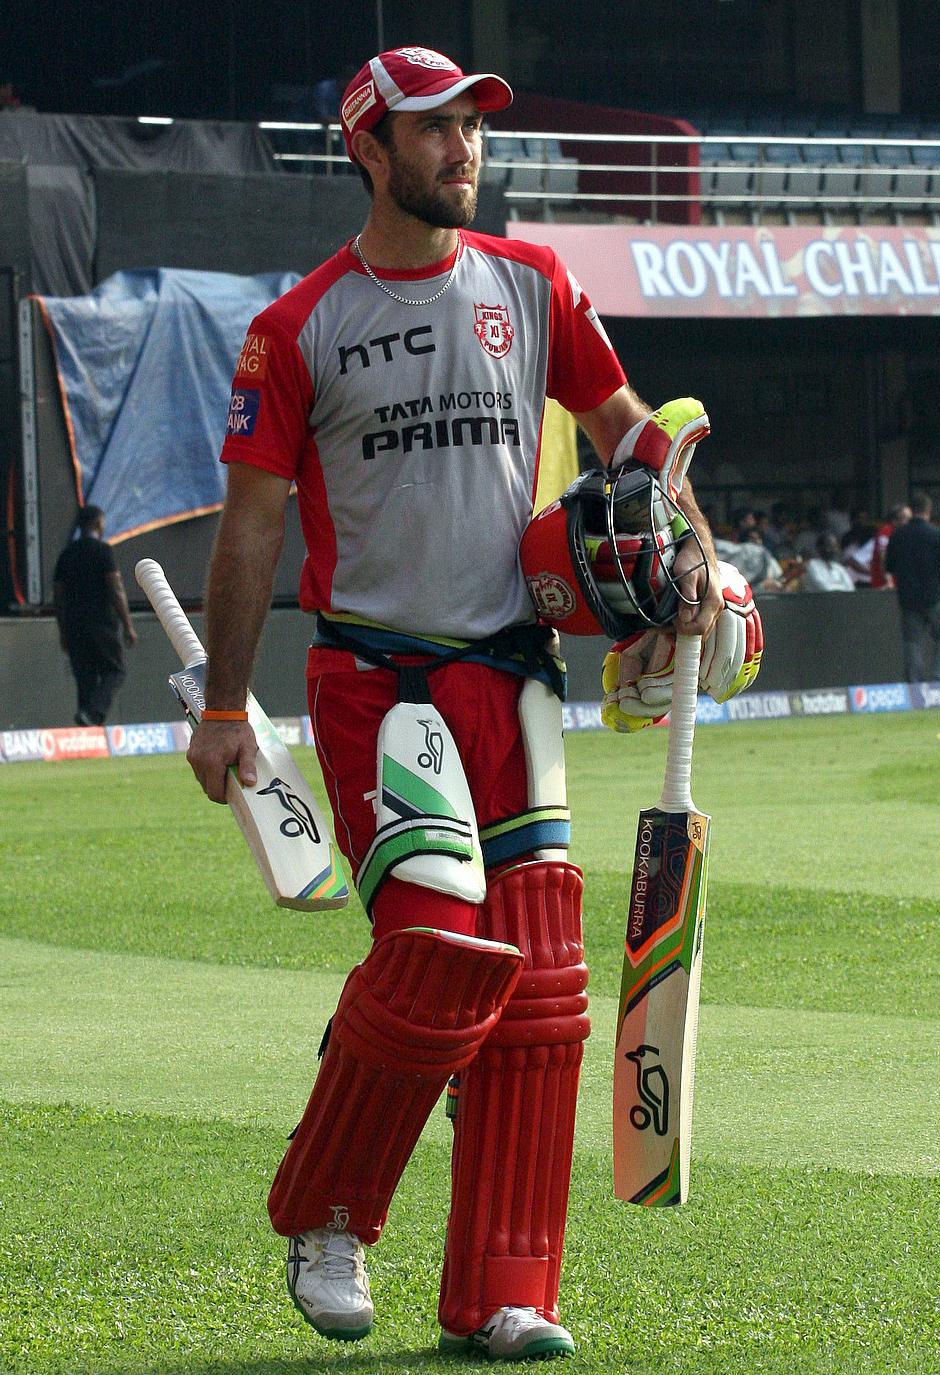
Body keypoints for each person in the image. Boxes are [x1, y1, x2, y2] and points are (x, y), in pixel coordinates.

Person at [185, 46, 724, 1362]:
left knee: (542, 995)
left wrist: (699, 550)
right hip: (378, 680)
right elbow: (253, 531)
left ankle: (502, 1288)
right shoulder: (297, 325)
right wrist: (222, 704)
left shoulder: (532, 286)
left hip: (511, 676)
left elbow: (626, 428)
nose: (464, 149)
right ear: (369, 148)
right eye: (433, 131)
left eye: (473, 128)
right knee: (435, 946)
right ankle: (329, 1214)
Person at [53, 504, 137, 725]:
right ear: (99, 523)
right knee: (115, 670)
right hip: (101, 623)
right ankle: (93, 714)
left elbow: (58, 596)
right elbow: (115, 587)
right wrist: (128, 625)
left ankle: (86, 728)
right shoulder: (103, 551)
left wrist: (63, 630)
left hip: (73, 624)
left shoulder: (67, 554)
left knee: (85, 677)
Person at [885, 492, 940, 683]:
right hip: (934, 596)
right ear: (929, 510)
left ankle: (914, 685)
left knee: (912, 642)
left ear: (911, 510)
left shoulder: (898, 535)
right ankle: (938, 678)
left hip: (908, 598)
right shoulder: (937, 534)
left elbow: (890, 566)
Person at [870, 502, 911, 588]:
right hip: (884, 585)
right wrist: (888, 581)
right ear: (896, 519)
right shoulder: (885, 532)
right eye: (906, 518)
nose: (909, 522)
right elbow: (883, 558)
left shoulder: (901, 533)